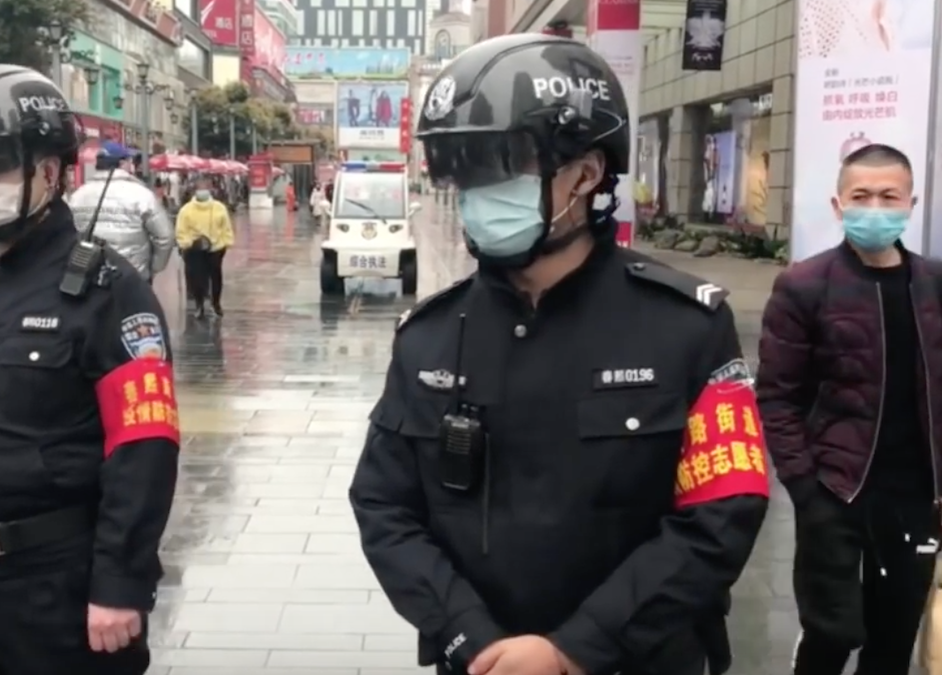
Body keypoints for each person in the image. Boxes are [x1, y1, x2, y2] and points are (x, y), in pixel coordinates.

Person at [349, 34, 769, 675]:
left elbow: (723, 511)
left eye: (502, 162)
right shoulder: (428, 337)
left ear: (588, 172)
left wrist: (576, 649)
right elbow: (383, 505)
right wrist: (467, 635)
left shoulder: (687, 328)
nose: (476, 191)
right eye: (461, 168)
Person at [0, 64, 179, 674]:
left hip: (61, 593)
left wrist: (121, 583)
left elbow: (144, 449)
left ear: (49, 170)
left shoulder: (109, 292)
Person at [756, 143, 942, 675]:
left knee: (894, 637)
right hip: (836, 490)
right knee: (832, 632)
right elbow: (776, 395)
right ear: (838, 206)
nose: (875, 208)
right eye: (861, 196)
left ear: (911, 203)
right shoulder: (803, 286)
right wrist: (804, 487)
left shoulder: (933, 284)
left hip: (913, 497)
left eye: (889, 196)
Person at [68, 141, 174, 283]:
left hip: (91, 278)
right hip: (133, 277)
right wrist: (153, 267)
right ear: (123, 163)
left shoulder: (77, 196)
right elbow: (165, 237)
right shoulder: (142, 195)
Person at [175, 176, 234, 319]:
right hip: (194, 250)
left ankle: (216, 303)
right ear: (194, 191)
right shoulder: (186, 210)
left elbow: (226, 227)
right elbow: (181, 230)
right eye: (200, 188)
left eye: (205, 188)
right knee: (197, 278)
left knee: (216, 277)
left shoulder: (219, 208)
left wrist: (225, 243)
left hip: (216, 249)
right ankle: (199, 304)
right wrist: (188, 243)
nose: (203, 191)